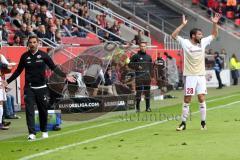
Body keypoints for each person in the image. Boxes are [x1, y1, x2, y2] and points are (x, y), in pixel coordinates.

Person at [4, 35, 76, 140]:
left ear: (38, 43)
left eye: (34, 42)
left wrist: (66, 76)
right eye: (30, 42)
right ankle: (32, 133)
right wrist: (7, 81)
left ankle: (44, 130)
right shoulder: (24, 56)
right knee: (29, 111)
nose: (32, 44)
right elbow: (18, 71)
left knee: (43, 110)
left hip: (42, 88)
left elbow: (54, 67)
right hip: (29, 88)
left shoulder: (44, 55)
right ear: (28, 44)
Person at [171, 13, 220, 131]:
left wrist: (214, 23)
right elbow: (173, 35)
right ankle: (183, 123)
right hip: (190, 76)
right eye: (199, 34)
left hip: (201, 76)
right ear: (193, 36)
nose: (201, 36)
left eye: (201, 34)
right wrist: (182, 25)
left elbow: (214, 34)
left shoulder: (203, 42)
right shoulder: (185, 43)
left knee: (201, 98)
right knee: (187, 99)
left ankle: (203, 123)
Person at [129, 42, 153, 112]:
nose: (143, 47)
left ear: (146, 47)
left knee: (147, 93)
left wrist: (152, 76)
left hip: (147, 78)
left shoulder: (149, 57)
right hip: (139, 77)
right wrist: (137, 66)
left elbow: (150, 67)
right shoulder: (135, 56)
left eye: (144, 46)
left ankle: (148, 107)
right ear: (139, 47)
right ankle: (137, 108)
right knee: (138, 92)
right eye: (141, 46)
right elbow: (129, 64)